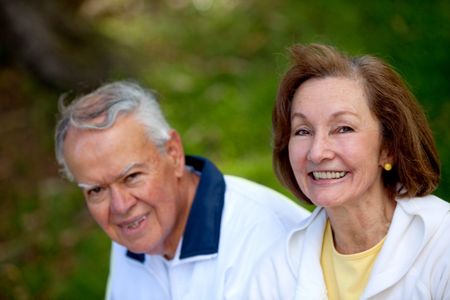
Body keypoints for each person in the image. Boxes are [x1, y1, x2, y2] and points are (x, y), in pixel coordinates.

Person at [54, 81, 310, 300]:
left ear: (174, 154)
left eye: (132, 177)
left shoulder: (266, 237)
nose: (120, 206)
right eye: (97, 190)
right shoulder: (134, 233)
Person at [248, 43, 450, 299]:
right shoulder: (275, 269)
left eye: (343, 128)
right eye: (303, 131)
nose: (317, 152)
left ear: (388, 146)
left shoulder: (442, 244)